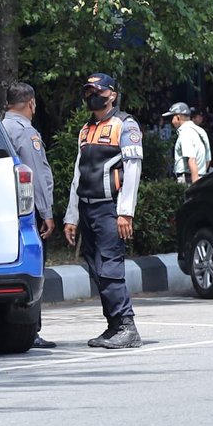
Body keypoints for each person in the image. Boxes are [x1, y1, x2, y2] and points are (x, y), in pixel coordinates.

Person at [62, 72, 144, 350]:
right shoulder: (85, 129)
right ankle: (113, 326)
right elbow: (77, 173)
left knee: (110, 268)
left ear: (112, 94)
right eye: (87, 91)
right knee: (97, 269)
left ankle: (126, 326)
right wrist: (71, 217)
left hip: (110, 209)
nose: (91, 96)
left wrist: (125, 212)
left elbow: (133, 170)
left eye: (96, 91)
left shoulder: (125, 124)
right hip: (87, 209)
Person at [1, 82, 56, 349]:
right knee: (34, 271)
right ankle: (31, 330)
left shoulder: (1, 127)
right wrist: (46, 212)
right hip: (28, 212)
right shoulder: (25, 132)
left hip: (9, 212)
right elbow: (35, 175)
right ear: (31, 103)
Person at [164, 102, 211, 185]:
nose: (171, 121)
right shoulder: (201, 131)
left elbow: (192, 159)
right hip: (201, 177)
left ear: (178, 117)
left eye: (172, 117)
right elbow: (207, 160)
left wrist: (195, 186)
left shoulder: (185, 133)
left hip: (189, 180)